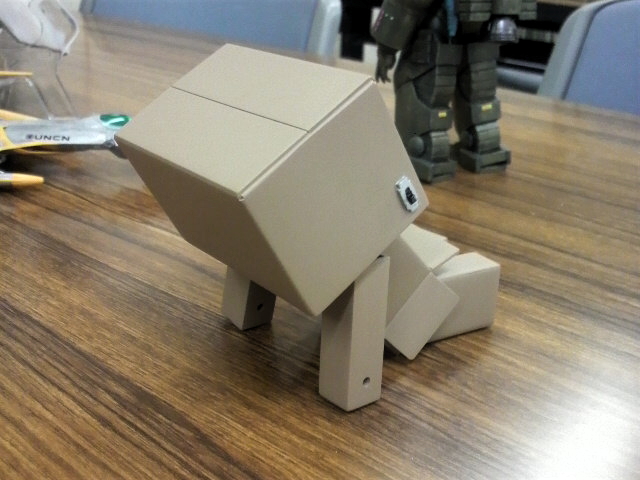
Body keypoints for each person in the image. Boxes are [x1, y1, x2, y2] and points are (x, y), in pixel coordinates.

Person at [371, 0, 536, 183]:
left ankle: (428, 146)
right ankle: (482, 140)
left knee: (423, 90)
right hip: (483, 33)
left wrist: (386, 48)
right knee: (478, 90)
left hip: (442, 33)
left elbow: (408, 4)